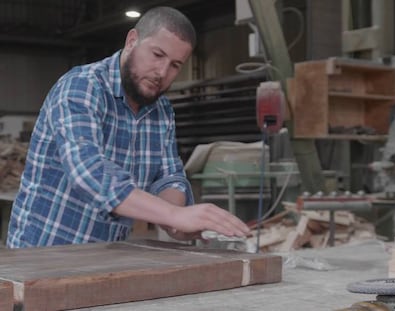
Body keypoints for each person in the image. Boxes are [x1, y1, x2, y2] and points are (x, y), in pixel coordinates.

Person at [7, 6, 249, 248]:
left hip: (108, 257)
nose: (162, 72)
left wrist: (175, 221)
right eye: (157, 55)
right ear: (132, 40)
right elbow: (88, 171)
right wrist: (174, 215)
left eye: (175, 65)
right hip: (45, 253)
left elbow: (168, 175)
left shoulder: (161, 110)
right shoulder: (82, 87)